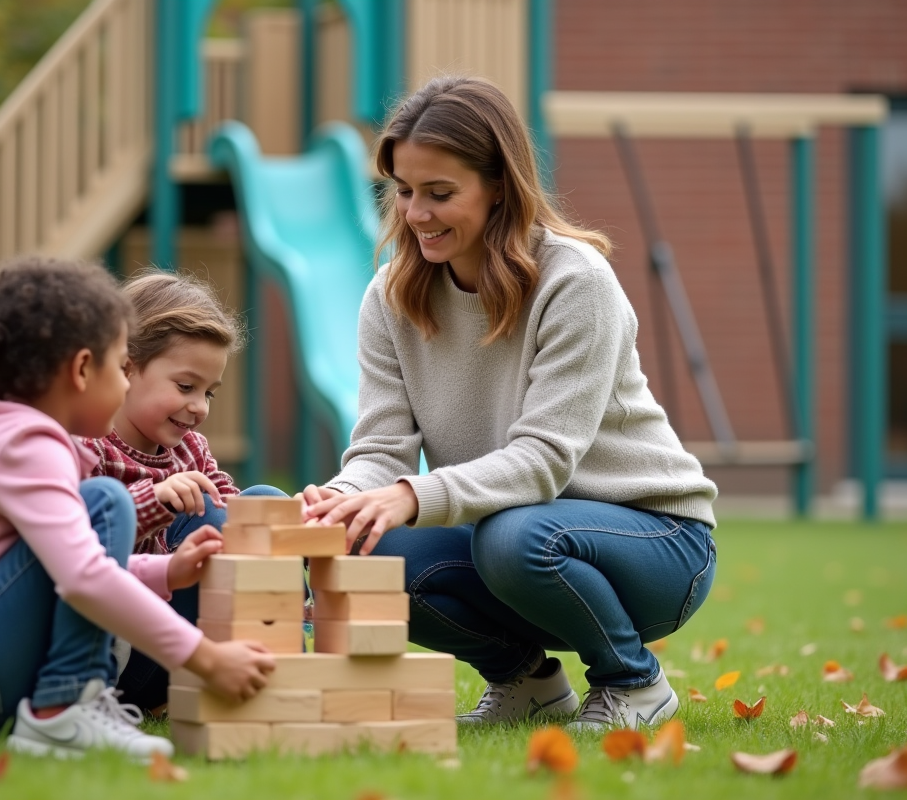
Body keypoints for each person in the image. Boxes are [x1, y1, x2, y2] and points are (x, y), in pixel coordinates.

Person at [302, 76, 718, 731]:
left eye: (440, 194)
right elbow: (379, 450)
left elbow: (542, 463)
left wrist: (411, 496)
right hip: (518, 535)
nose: (416, 214)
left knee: (514, 536)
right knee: (362, 549)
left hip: (657, 543)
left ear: (499, 186)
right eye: (405, 192)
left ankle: (633, 683)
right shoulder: (390, 298)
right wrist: (340, 505)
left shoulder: (575, 282)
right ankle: (526, 684)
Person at [0, 258, 274, 761]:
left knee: (99, 506)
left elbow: (63, 559)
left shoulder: (6, 429)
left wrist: (168, 569)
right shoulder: (27, 442)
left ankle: (69, 706)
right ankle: (65, 709)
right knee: (105, 501)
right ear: (81, 369)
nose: (123, 385)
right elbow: (83, 575)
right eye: (118, 367)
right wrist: (207, 659)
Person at [80, 269, 290, 712]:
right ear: (126, 367)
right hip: (117, 649)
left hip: (182, 648)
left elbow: (234, 511)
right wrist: (155, 499)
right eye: (185, 386)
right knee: (209, 519)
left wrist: (294, 526)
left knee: (262, 501)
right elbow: (75, 546)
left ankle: (287, 642)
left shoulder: (190, 447)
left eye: (209, 393)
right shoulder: (87, 444)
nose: (199, 407)